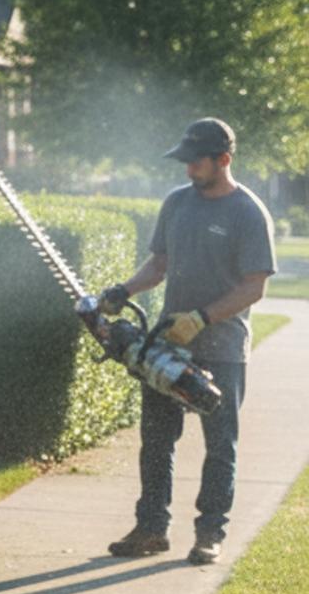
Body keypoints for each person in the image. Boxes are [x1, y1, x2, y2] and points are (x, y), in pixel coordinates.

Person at [98, 118, 276, 565]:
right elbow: (158, 264)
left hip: (223, 351)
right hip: (167, 349)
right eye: (186, 162)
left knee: (220, 446)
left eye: (196, 162)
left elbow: (255, 286)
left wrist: (201, 319)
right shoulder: (177, 204)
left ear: (224, 160)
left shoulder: (248, 212)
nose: (188, 170)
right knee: (156, 441)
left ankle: (209, 533)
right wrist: (124, 291)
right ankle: (151, 528)